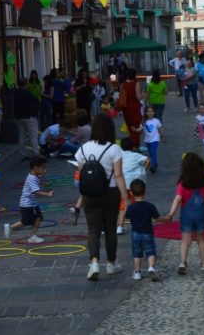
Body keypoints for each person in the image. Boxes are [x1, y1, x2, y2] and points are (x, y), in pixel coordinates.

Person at [75, 113, 129, 281]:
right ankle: (112, 263)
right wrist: (126, 198)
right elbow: (119, 175)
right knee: (110, 229)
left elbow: (81, 174)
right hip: (110, 193)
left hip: (90, 195)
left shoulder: (83, 148)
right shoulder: (114, 149)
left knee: (93, 229)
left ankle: (94, 263)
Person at [163, 152, 204, 273]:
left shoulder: (182, 184)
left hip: (187, 215)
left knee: (185, 239)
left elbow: (178, 199)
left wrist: (171, 214)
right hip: (200, 213)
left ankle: (183, 263)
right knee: (201, 239)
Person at [3, 156, 53, 244]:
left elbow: (38, 179)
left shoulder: (34, 175)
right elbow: (36, 191)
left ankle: (33, 236)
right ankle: (10, 227)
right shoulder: (32, 178)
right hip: (27, 204)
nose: (44, 170)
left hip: (32, 203)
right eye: (43, 168)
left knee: (38, 217)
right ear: (35, 167)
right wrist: (47, 194)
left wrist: (42, 174)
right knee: (26, 221)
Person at [125, 178, 162, 281]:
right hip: (148, 233)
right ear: (145, 191)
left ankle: (137, 273)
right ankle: (151, 267)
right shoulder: (150, 206)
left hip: (136, 234)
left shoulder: (131, 207)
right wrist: (166, 219)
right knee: (151, 252)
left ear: (131, 193)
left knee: (137, 254)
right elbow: (157, 218)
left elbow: (126, 217)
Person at [117, 136, 151, 234]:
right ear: (133, 147)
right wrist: (145, 169)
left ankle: (120, 227)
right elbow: (147, 160)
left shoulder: (120, 156)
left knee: (123, 206)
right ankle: (140, 224)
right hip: (137, 185)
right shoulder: (136, 155)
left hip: (124, 184)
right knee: (138, 203)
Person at [13, 78, 40, 159]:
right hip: (29, 116)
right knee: (33, 135)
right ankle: (36, 154)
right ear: (25, 84)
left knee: (22, 135)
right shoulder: (27, 93)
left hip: (18, 117)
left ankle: (23, 154)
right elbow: (36, 100)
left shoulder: (14, 93)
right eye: (27, 83)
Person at [120, 67, 144, 146]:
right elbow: (138, 97)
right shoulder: (136, 83)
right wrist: (143, 94)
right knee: (137, 125)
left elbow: (121, 96)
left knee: (129, 124)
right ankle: (134, 143)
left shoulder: (123, 84)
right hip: (134, 106)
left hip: (125, 107)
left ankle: (131, 143)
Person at [141, 105, 163, 173]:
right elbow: (140, 129)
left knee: (153, 152)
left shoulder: (157, 121)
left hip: (155, 139)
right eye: (148, 111)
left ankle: (152, 166)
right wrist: (135, 129)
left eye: (152, 111)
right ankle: (155, 163)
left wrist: (162, 135)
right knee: (151, 153)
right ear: (146, 113)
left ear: (154, 112)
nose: (150, 113)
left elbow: (160, 129)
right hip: (147, 140)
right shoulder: (144, 121)